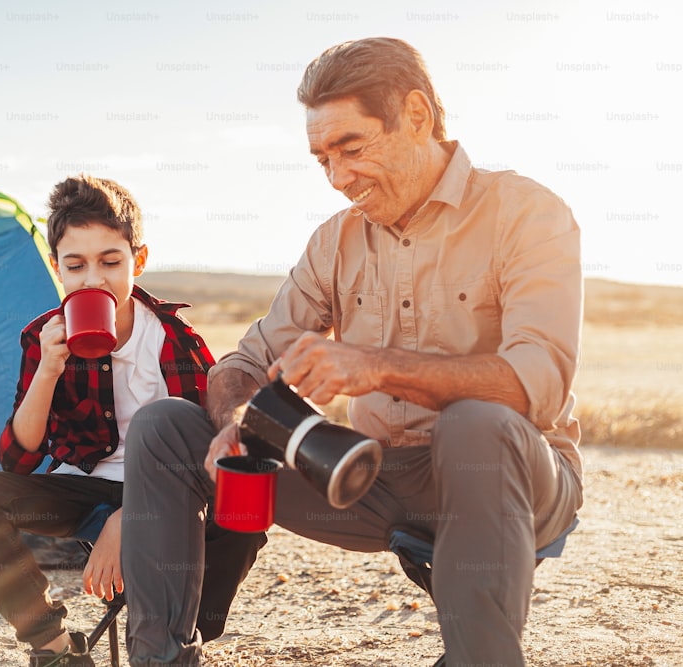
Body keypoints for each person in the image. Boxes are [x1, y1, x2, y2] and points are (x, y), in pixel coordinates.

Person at [121, 37, 583, 667]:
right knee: (164, 426)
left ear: (416, 117)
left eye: (352, 149)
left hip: (514, 481)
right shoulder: (334, 242)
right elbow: (243, 362)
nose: (339, 180)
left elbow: (540, 382)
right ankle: (163, 659)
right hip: (371, 474)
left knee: (477, 422)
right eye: (323, 161)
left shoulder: (526, 212)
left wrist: (374, 365)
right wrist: (236, 421)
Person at [0, 175, 265, 667]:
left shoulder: (173, 340)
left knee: (246, 511)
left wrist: (129, 520)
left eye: (110, 262)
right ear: (58, 269)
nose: (92, 279)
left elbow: (208, 458)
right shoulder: (42, 338)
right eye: (75, 265)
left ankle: (173, 637)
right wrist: (48, 370)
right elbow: (18, 459)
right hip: (86, 490)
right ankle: (54, 648)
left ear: (138, 260)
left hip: (168, 494)